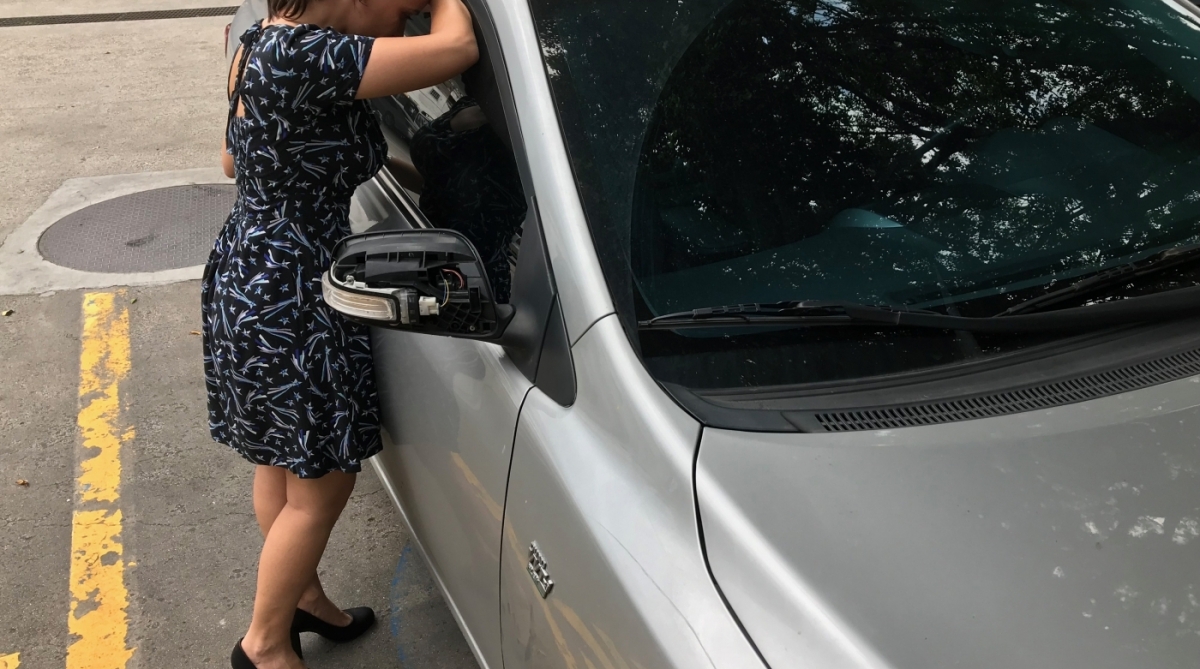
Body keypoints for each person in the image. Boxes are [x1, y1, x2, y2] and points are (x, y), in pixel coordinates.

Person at [201, 0, 478, 668]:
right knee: (322, 481)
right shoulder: (314, 57)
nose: (405, 12)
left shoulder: (261, 44)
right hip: (295, 287)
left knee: (283, 458)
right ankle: (265, 643)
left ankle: (303, 596)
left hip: (249, 265)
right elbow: (459, 47)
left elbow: (231, 162)